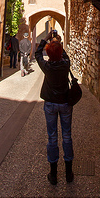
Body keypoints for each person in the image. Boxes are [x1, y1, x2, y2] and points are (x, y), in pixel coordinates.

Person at [35, 29, 74, 185]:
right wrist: (58, 42)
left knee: (52, 137)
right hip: (65, 103)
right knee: (67, 136)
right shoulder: (65, 65)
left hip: (50, 104)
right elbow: (65, 56)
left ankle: (53, 173)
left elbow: (38, 54)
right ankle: (69, 173)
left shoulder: (47, 67)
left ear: (49, 55)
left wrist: (46, 39)